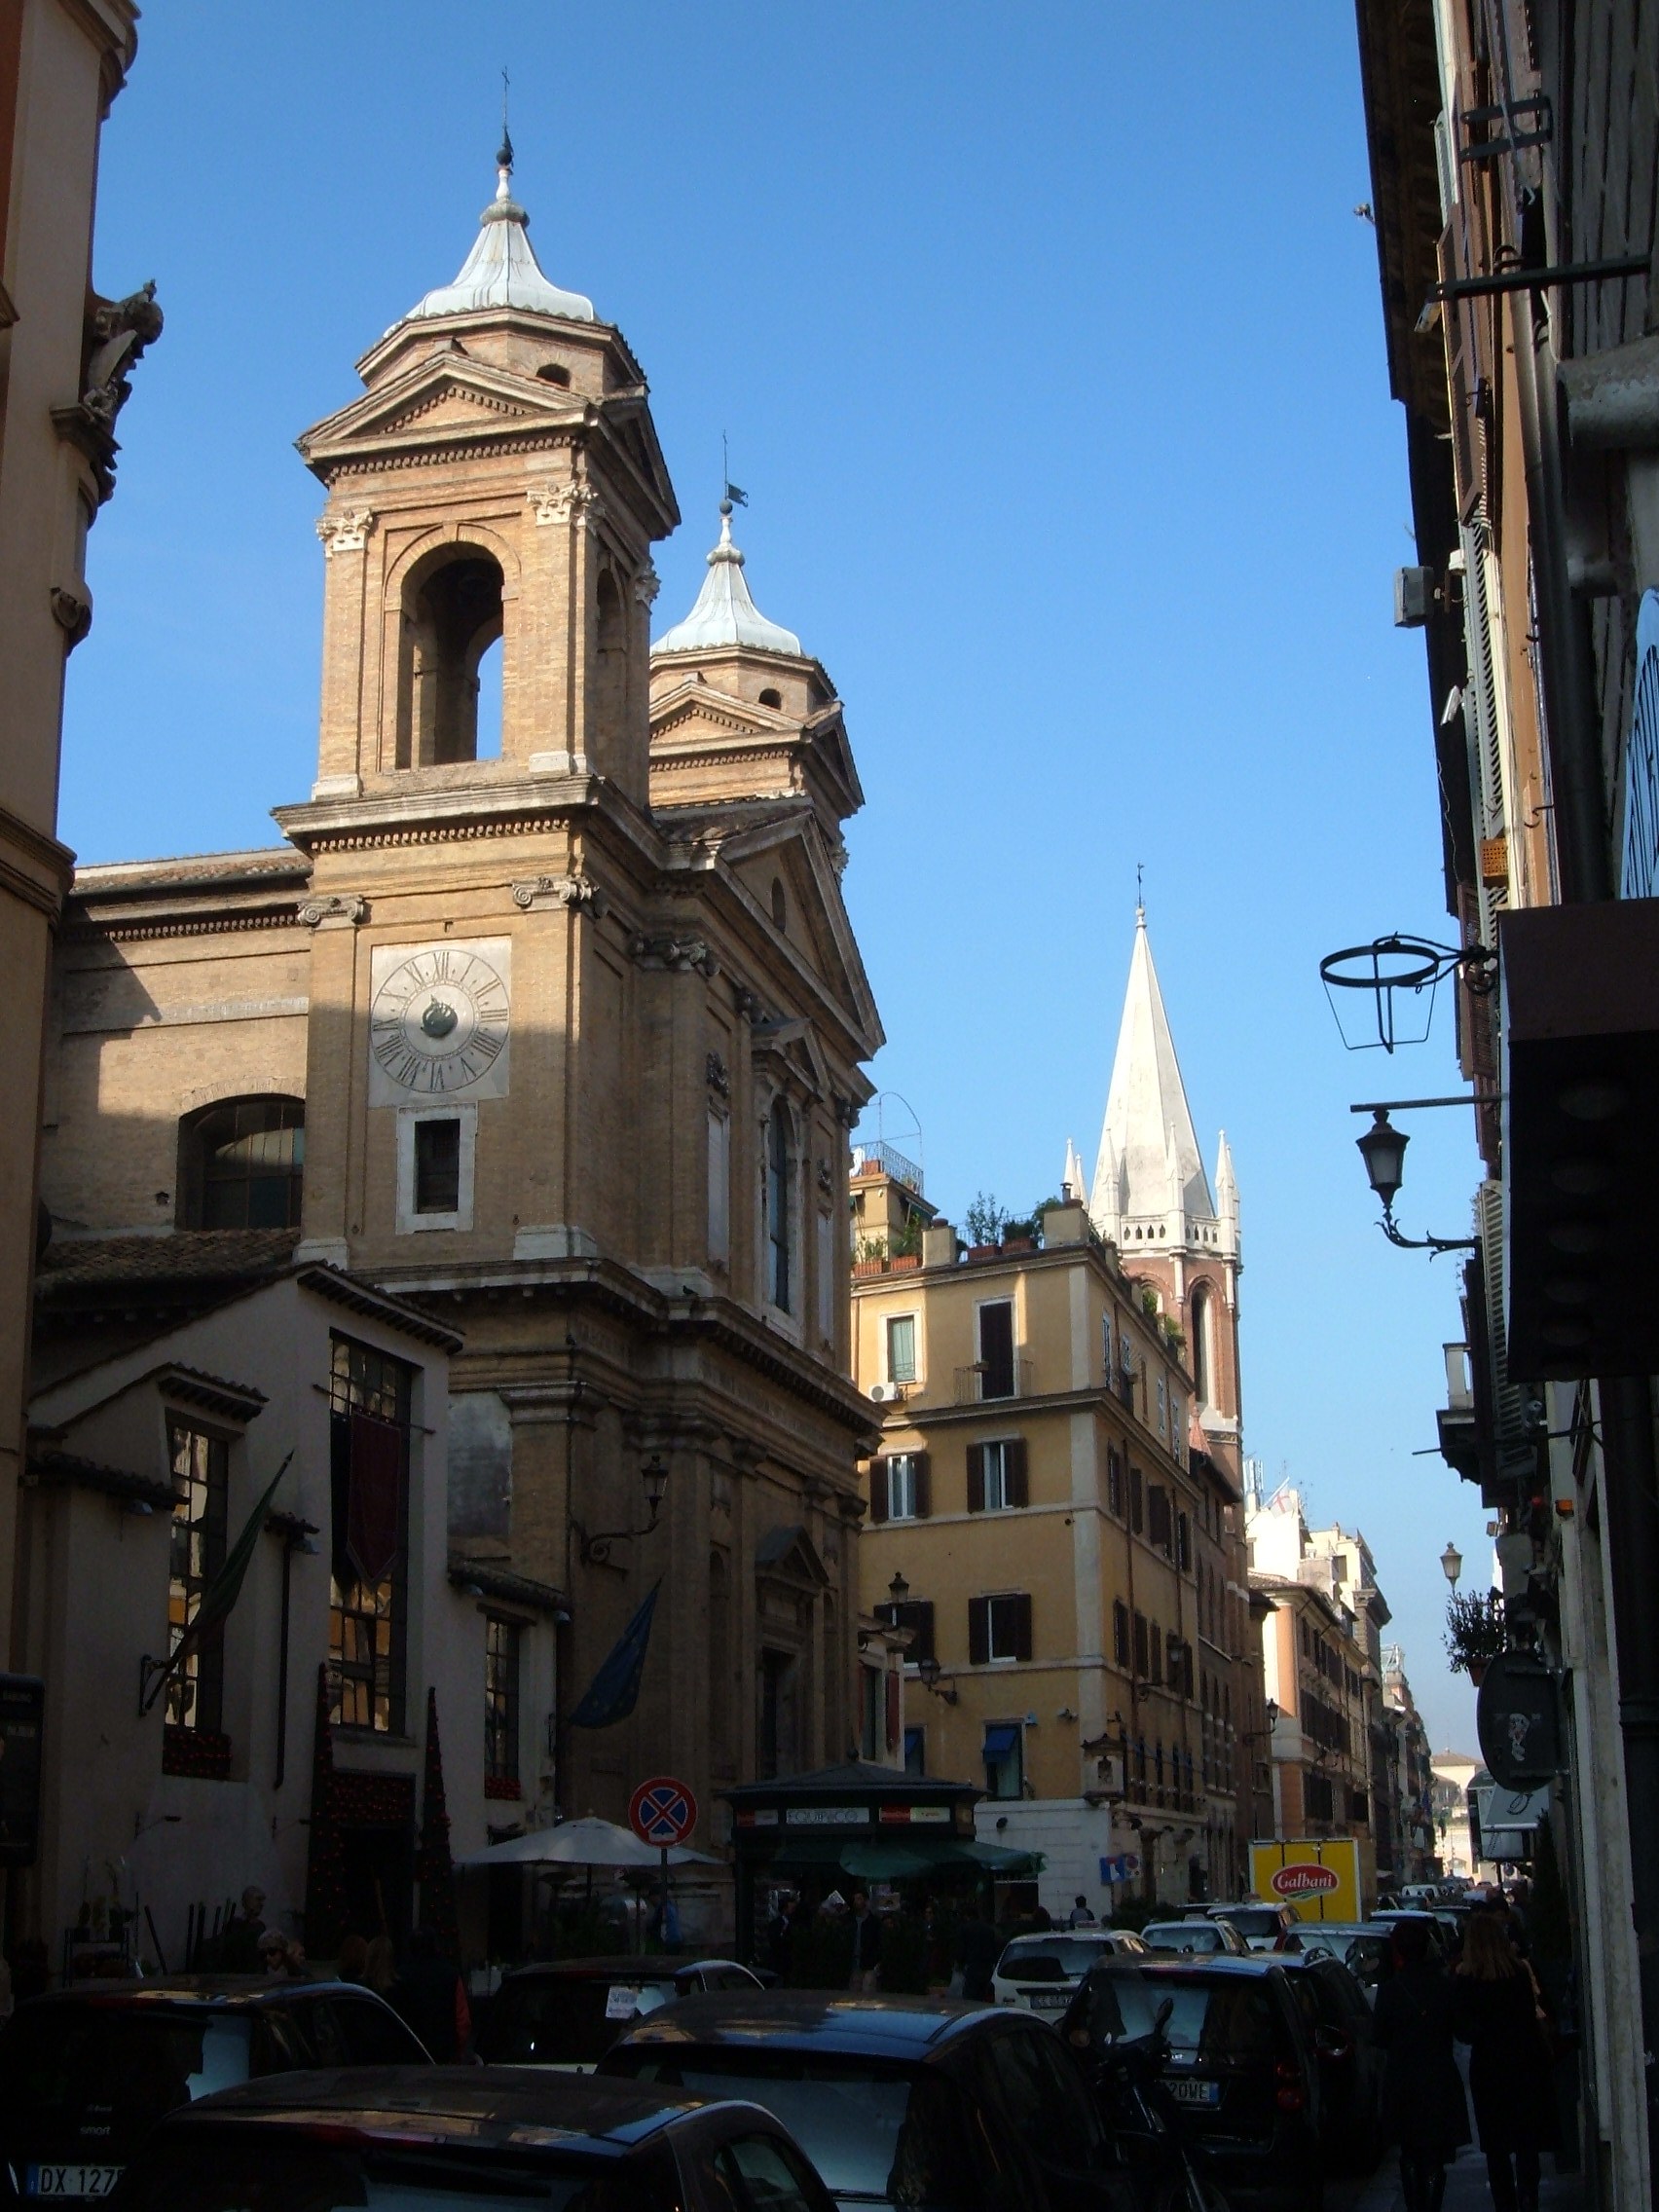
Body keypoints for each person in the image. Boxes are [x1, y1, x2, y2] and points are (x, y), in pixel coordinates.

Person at [1454, 1912, 1557, 2212]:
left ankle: (1506, 2204)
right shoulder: (1520, 1972)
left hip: (1489, 2068)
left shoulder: (1466, 1978)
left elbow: (1463, 2030)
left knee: (1496, 2148)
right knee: (1527, 2141)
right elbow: (1531, 2014)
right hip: (1525, 2062)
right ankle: (1529, 2197)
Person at [1373, 1915, 1471, 2212]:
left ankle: (1415, 2205)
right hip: (1438, 2075)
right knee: (1434, 2155)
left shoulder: (1390, 1990)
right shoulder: (1444, 1986)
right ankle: (1431, 2206)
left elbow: (1379, 2037)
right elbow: (1463, 2030)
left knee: (1410, 2151)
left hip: (1404, 2078)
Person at [394, 1926, 472, 2061]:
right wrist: (457, 2051)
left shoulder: (400, 1976)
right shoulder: (451, 1975)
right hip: (444, 2055)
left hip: (408, 2057)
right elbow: (462, 2021)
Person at [219, 1886, 268, 1972]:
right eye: (258, 1899)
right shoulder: (235, 1924)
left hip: (256, 1975)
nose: (261, 1904)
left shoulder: (261, 1926)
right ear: (247, 1901)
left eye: (262, 1900)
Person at [847, 1886, 882, 1995]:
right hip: (854, 1963)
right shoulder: (850, 1921)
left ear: (865, 1901)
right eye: (855, 1899)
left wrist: (877, 1962)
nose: (856, 1902)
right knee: (854, 1994)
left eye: (859, 1899)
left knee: (868, 1993)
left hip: (869, 1964)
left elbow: (879, 1942)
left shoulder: (874, 1922)